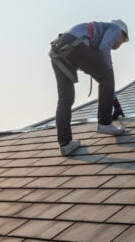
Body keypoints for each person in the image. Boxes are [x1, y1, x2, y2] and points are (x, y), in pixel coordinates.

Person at [49, 19, 129, 155]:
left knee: (66, 98)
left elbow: (104, 82)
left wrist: (115, 103)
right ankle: (104, 122)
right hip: (73, 44)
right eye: (122, 41)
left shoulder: (97, 35)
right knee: (107, 75)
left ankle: (65, 143)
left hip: (57, 49)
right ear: (122, 33)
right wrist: (108, 70)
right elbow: (104, 49)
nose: (120, 44)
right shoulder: (115, 29)